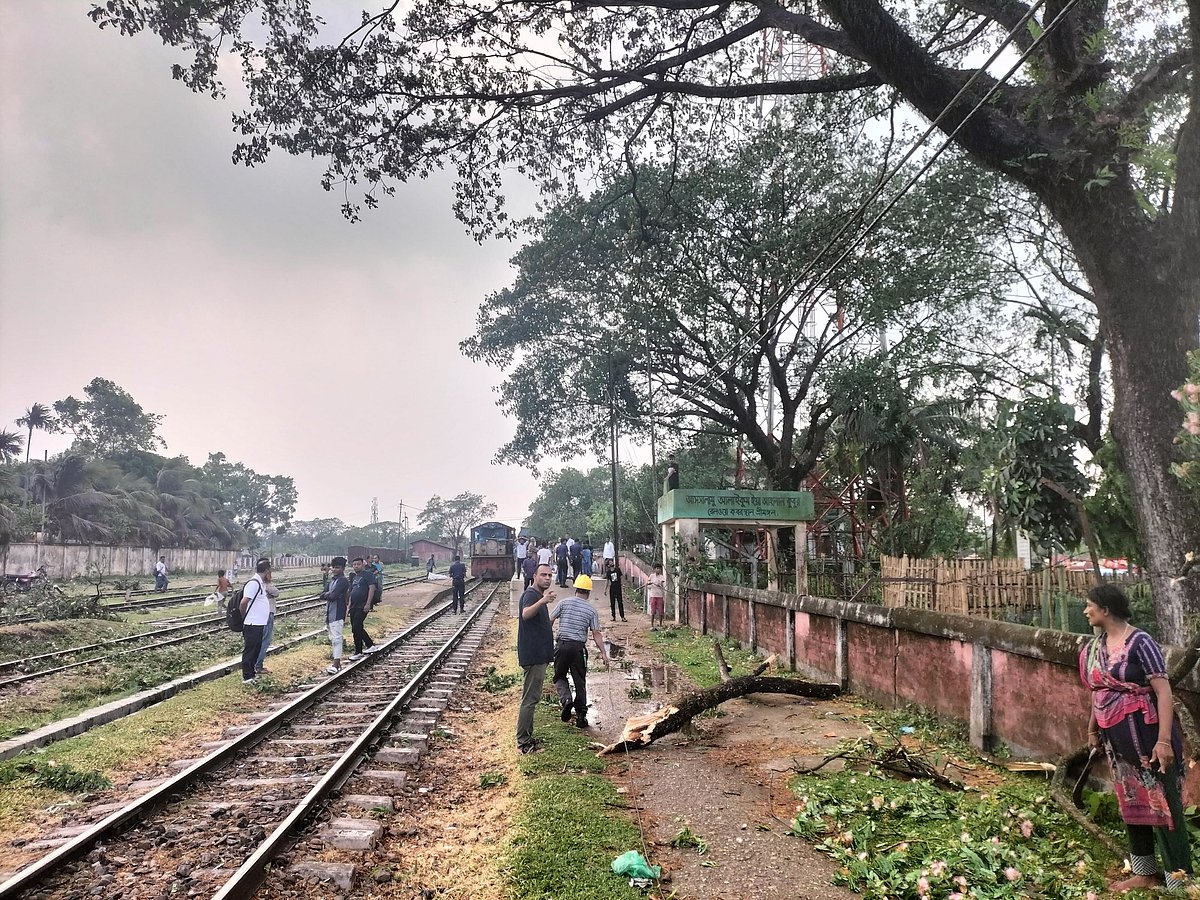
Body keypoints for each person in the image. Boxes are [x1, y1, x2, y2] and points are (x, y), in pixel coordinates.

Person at [1080, 584, 1191, 892]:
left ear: (1106, 609)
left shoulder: (1140, 642)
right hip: (1117, 743)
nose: (1086, 611)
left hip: (1148, 737)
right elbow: (1098, 692)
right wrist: (1092, 730)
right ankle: (1144, 871)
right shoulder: (1096, 647)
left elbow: (1163, 691)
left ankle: (1179, 881)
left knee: (1165, 806)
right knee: (1132, 802)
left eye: (1090, 605)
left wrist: (1164, 740)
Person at [551, 574, 610, 728]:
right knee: (580, 682)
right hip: (578, 649)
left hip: (562, 646)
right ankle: (581, 717)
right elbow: (596, 633)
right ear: (589, 592)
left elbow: (549, 620)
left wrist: (545, 641)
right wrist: (603, 653)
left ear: (575, 589)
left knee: (559, 677)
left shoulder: (563, 603)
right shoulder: (591, 610)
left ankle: (566, 700)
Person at [516, 563, 556, 754]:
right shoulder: (532, 595)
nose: (547, 578)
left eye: (550, 575)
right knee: (530, 699)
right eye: (543, 575)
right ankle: (523, 742)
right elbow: (525, 615)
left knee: (532, 698)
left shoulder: (537, 595)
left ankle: (527, 736)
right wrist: (542, 601)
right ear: (534, 576)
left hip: (538, 655)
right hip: (533, 655)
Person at [239, 560, 272, 684]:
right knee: (250, 650)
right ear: (267, 570)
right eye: (270, 571)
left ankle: (252, 674)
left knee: (256, 649)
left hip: (258, 623)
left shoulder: (260, 582)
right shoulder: (254, 583)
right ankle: (247, 676)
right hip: (252, 623)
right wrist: (244, 617)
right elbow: (243, 602)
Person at [321, 557, 350, 674]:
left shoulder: (343, 581)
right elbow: (321, 594)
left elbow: (332, 596)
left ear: (343, 568)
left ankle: (336, 664)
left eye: (337, 567)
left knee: (337, 639)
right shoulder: (332, 581)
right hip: (330, 613)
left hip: (338, 613)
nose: (334, 569)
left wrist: (329, 594)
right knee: (333, 638)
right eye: (333, 567)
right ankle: (336, 662)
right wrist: (329, 594)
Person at [348, 557, 379, 658]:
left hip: (363, 604)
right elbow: (351, 592)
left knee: (357, 626)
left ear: (363, 565)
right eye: (354, 564)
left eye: (358, 564)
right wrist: (349, 606)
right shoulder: (354, 577)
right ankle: (359, 651)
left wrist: (368, 603)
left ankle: (369, 645)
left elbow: (372, 588)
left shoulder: (368, 575)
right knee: (355, 628)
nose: (356, 566)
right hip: (354, 605)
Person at [255, 557, 280, 675]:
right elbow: (276, 592)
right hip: (268, 613)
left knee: (260, 639)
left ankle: (256, 664)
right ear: (266, 571)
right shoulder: (265, 584)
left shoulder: (256, 582)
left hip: (260, 614)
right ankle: (258, 665)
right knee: (265, 640)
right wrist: (269, 582)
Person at [646, 562, 667, 629]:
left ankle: (660, 625)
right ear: (654, 569)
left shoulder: (662, 577)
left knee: (661, 611)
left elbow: (662, 584)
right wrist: (649, 583)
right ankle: (652, 625)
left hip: (660, 596)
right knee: (653, 611)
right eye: (657, 568)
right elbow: (648, 583)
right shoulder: (651, 576)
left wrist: (659, 585)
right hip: (653, 595)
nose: (658, 570)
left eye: (659, 569)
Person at [605, 557, 625, 622]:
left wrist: (623, 585)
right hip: (612, 588)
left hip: (618, 588)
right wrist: (605, 589)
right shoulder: (608, 572)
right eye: (610, 562)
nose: (612, 563)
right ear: (608, 565)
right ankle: (613, 617)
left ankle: (622, 617)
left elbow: (621, 577)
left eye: (612, 562)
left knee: (620, 603)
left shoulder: (617, 570)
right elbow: (607, 581)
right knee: (612, 603)